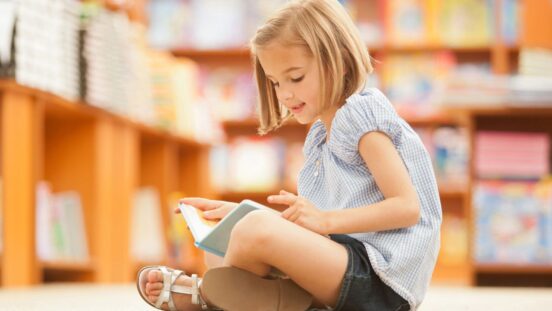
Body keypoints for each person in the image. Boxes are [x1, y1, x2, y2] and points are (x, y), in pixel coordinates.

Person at [137, 0, 441, 310]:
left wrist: (322, 220)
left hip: (382, 280)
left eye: (295, 78)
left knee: (252, 230)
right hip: (346, 262)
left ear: (340, 62)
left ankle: (207, 299)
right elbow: (312, 228)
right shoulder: (323, 135)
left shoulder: (362, 118)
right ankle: (271, 300)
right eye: (275, 82)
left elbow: (407, 207)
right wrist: (238, 213)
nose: (284, 94)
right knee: (221, 240)